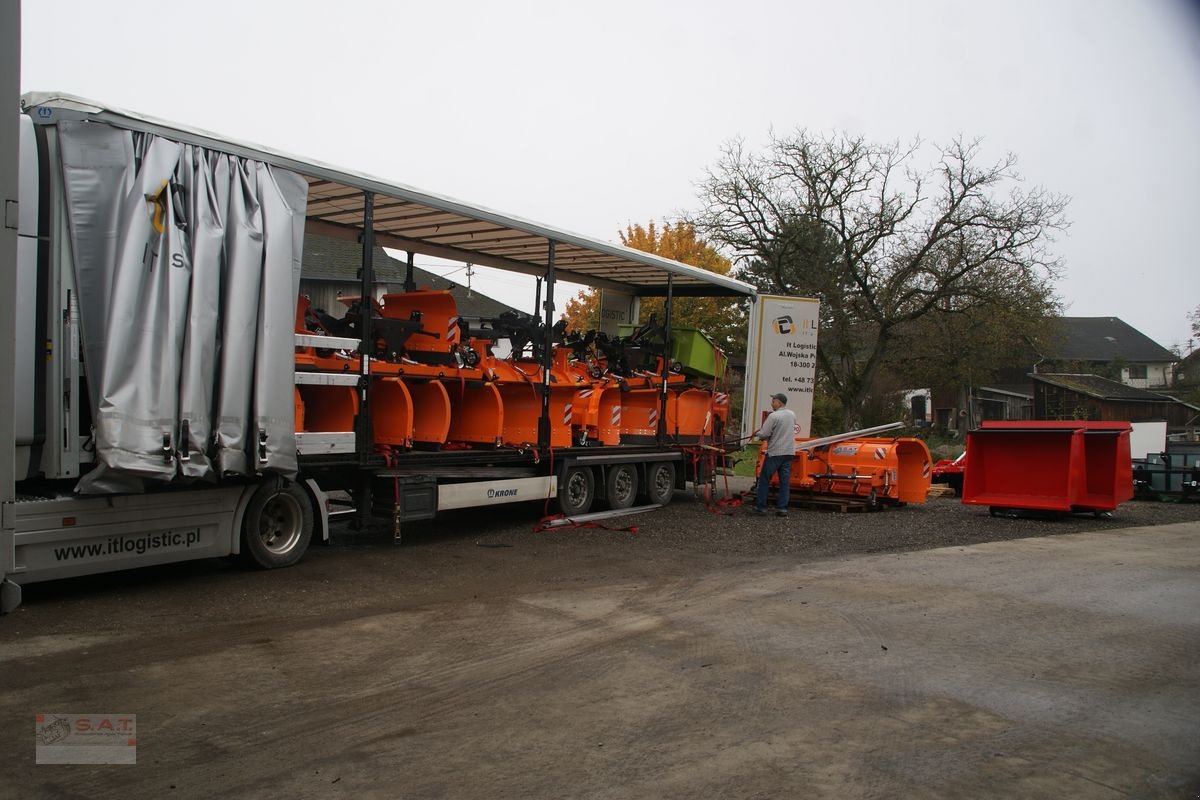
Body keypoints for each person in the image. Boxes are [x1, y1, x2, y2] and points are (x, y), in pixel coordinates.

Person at [752, 393, 797, 517]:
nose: (772, 404)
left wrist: (758, 433)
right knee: (784, 482)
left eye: (773, 401)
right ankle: (782, 508)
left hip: (775, 452)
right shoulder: (792, 414)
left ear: (780, 403)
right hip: (789, 452)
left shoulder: (773, 416)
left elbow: (765, 433)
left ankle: (761, 507)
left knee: (764, 480)